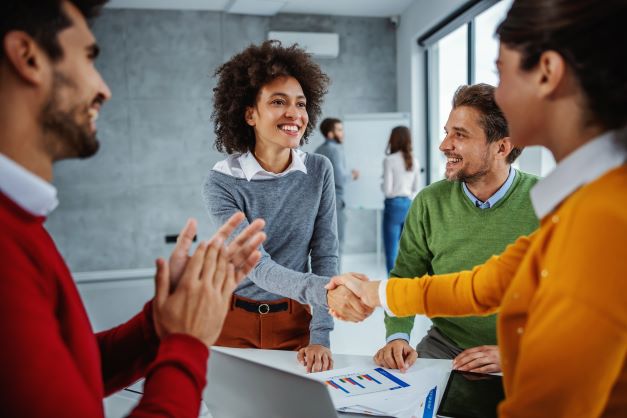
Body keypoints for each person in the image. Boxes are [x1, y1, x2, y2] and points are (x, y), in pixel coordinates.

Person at [328, 0, 627, 416]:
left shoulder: (603, 215)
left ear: (547, 73)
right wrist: (374, 293)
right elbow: (482, 285)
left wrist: (514, 354)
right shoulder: (573, 205)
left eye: (501, 72)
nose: (499, 92)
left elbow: (557, 399)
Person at [0, 1, 267, 417]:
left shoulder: (22, 225)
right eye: (88, 58)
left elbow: (71, 374)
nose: (104, 89)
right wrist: (187, 343)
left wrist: (156, 328)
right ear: (28, 57)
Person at [202, 41, 371, 373]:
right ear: (249, 113)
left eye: (301, 104)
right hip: (230, 320)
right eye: (278, 102)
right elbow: (258, 267)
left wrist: (320, 335)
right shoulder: (221, 181)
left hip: (295, 318)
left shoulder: (319, 169)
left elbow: (325, 254)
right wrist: (326, 292)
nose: (294, 114)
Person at [376, 84, 538, 373]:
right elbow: (405, 275)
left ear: (502, 147)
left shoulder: (547, 201)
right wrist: (397, 336)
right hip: (446, 344)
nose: (444, 145)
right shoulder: (429, 201)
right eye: (447, 132)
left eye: (459, 135)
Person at [315, 117, 360, 253]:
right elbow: (339, 179)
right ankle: (337, 275)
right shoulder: (334, 150)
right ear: (330, 134)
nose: (342, 133)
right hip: (335, 201)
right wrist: (353, 175)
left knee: (325, 245)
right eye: (339, 130)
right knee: (337, 244)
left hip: (321, 202)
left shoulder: (319, 149)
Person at [381, 126, 421, 275]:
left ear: (393, 139)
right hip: (408, 205)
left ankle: (392, 285)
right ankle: (406, 283)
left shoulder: (389, 160)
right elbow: (416, 187)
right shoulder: (414, 161)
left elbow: (387, 191)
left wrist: (381, 184)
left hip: (393, 207)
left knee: (391, 250)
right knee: (407, 249)